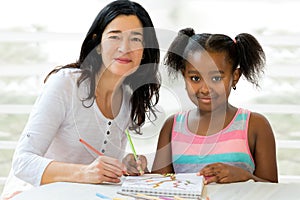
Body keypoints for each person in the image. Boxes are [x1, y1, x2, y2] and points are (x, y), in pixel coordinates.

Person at [2, 0, 160, 198]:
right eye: (114, 36)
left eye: (136, 39)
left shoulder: (129, 98)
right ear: (98, 44)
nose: (124, 48)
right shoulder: (65, 84)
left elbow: (97, 160)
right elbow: (22, 162)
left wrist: (124, 162)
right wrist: (85, 172)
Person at [151, 28, 278, 184]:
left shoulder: (255, 125)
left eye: (216, 78)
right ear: (184, 75)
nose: (205, 89)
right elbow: (156, 186)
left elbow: (273, 191)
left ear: (235, 77)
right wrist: (136, 171)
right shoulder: (172, 127)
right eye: (195, 78)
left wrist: (245, 176)